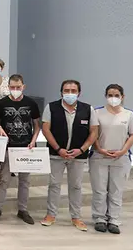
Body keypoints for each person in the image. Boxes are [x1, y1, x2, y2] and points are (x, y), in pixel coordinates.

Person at [41, 80, 99, 232]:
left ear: (79, 93)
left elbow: (94, 131)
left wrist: (82, 149)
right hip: (56, 153)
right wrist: (58, 148)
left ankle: (76, 217)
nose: (70, 93)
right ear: (61, 92)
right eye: (67, 90)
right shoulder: (51, 107)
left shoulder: (88, 109)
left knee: (76, 186)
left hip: (78, 155)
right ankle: (51, 214)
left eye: (73, 91)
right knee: (54, 185)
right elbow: (46, 129)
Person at [91, 84, 133, 234]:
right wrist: (99, 148)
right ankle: (99, 218)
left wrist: (123, 150)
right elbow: (93, 133)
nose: (113, 98)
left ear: (122, 97)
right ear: (106, 96)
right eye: (110, 95)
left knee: (116, 190)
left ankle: (114, 220)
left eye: (116, 95)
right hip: (99, 156)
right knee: (99, 190)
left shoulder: (129, 115)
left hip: (121, 157)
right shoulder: (97, 112)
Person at [0, 74, 41, 224]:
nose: (15, 90)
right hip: (7, 147)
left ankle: (23, 210)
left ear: (23, 87)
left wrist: (33, 141)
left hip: (26, 147)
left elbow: (37, 125)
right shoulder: (1, 103)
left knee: (24, 181)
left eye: (18, 87)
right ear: (8, 87)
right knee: (3, 180)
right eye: (12, 87)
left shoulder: (31, 103)